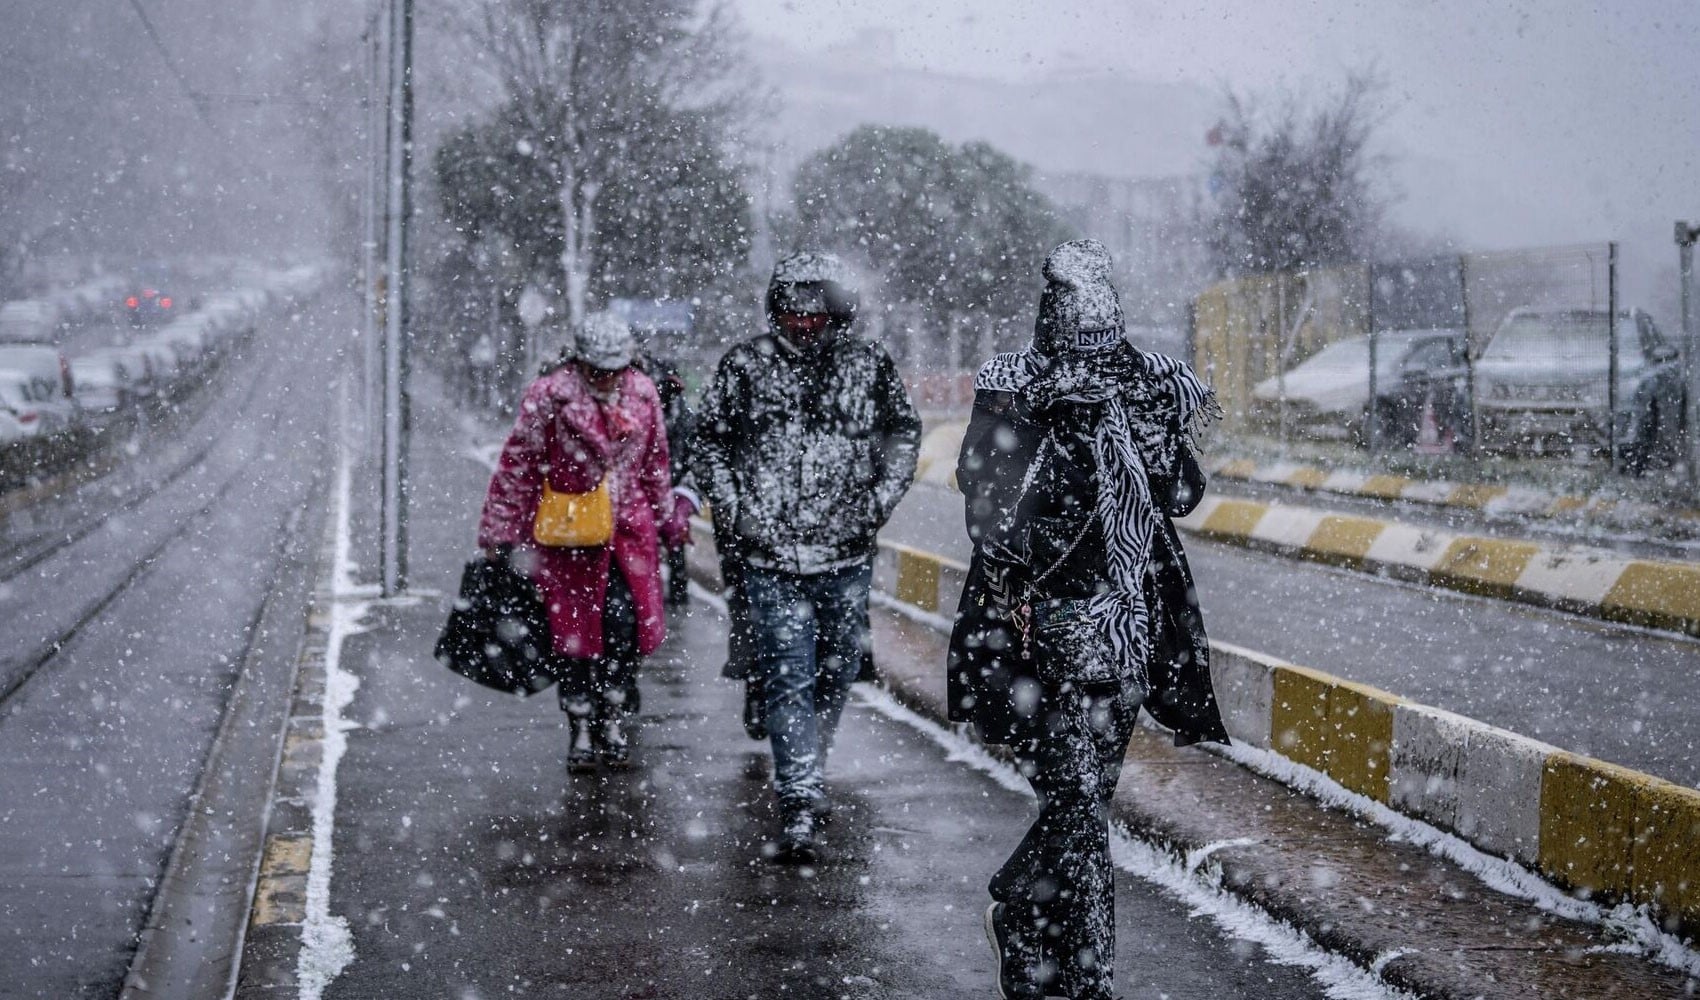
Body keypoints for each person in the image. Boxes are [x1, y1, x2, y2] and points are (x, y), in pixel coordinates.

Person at [948, 240, 1230, 999]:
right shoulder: (1012, 388)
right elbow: (986, 507)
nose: (1093, 369)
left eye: (1104, 353)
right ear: (1050, 332)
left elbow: (1180, 495)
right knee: (1076, 808)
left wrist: (1150, 442)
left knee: (1084, 809)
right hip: (1043, 630)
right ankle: (1093, 977)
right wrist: (1049, 436)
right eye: (1080, 352)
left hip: (1131, 628)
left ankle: (1020, 911)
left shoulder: (1147, 384)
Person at [694, 251, 921, 862]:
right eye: (791, 313)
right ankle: (799, 797)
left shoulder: (869, 365)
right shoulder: (744, 366)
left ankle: (809, 763)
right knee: (788, 673)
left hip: (846, 553)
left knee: (838, 666)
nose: (801, 325)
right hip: (769, 556)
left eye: (814, 315)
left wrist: (878, 498)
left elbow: (904, 430)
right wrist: (735, 506)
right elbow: (709, 440)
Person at [476, 312, 688, 771]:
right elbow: (519, 467)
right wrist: (499, 532)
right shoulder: (549, 398)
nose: (609, 380)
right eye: (599, 370)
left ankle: (613, 715)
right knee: (573, 638)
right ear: (580, 363)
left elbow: (655, 464)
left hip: (629, 535)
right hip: (569, 534)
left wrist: (669, 521)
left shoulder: (643, 394)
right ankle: (581, 726)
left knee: (622, 627)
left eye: (617, 369)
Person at [634, 349, 698, 607]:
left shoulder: (655, 405)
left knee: (667, 537)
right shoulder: (674, 409)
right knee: (671, 537)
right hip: (664, 478)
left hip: (663, 479)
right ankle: (672, 589)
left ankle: (659, 589)